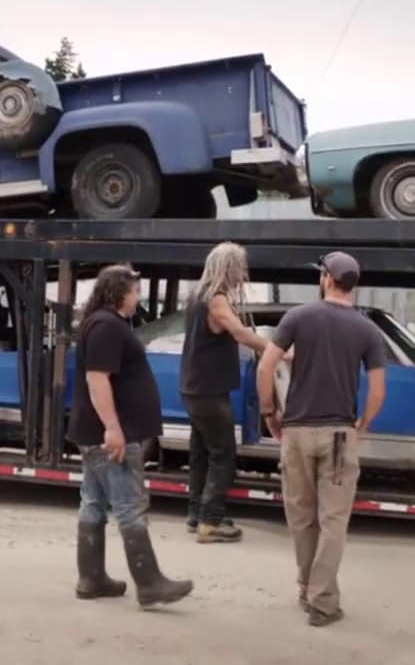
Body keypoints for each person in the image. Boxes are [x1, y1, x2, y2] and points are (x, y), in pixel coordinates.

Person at [256, 251, 387, 627]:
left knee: (301, 517)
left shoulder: (298, 317)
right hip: (339, 436)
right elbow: (378, 389)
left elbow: (266, 365)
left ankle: (306, 588)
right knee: (333, 520)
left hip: (296, 432)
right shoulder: (366, 329)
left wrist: (270, 413)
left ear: (327, 279)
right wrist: (363, 424)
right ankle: (323, 601)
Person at [67, 264, 194, 608]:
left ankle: (91, 578)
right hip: (110, 433)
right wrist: (113, 428)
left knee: (94, 502)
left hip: (98, 431)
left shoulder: (103, 324)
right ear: (118, 292)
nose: (139, 298)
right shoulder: (107, 326)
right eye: (135, 291)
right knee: (129, 506)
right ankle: (150, 583)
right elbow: (97, 379)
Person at [179, 242, 272, 543]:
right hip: (210, 390)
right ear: (229, 268)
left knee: (201, 453)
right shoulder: (216, 299)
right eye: (241, 267)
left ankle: (197, 513)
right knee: (223, 455)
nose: (244, 274)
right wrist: (277, 351)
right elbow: (240, 333)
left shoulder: (197, 296)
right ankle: (210, 522)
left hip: (193, 387)